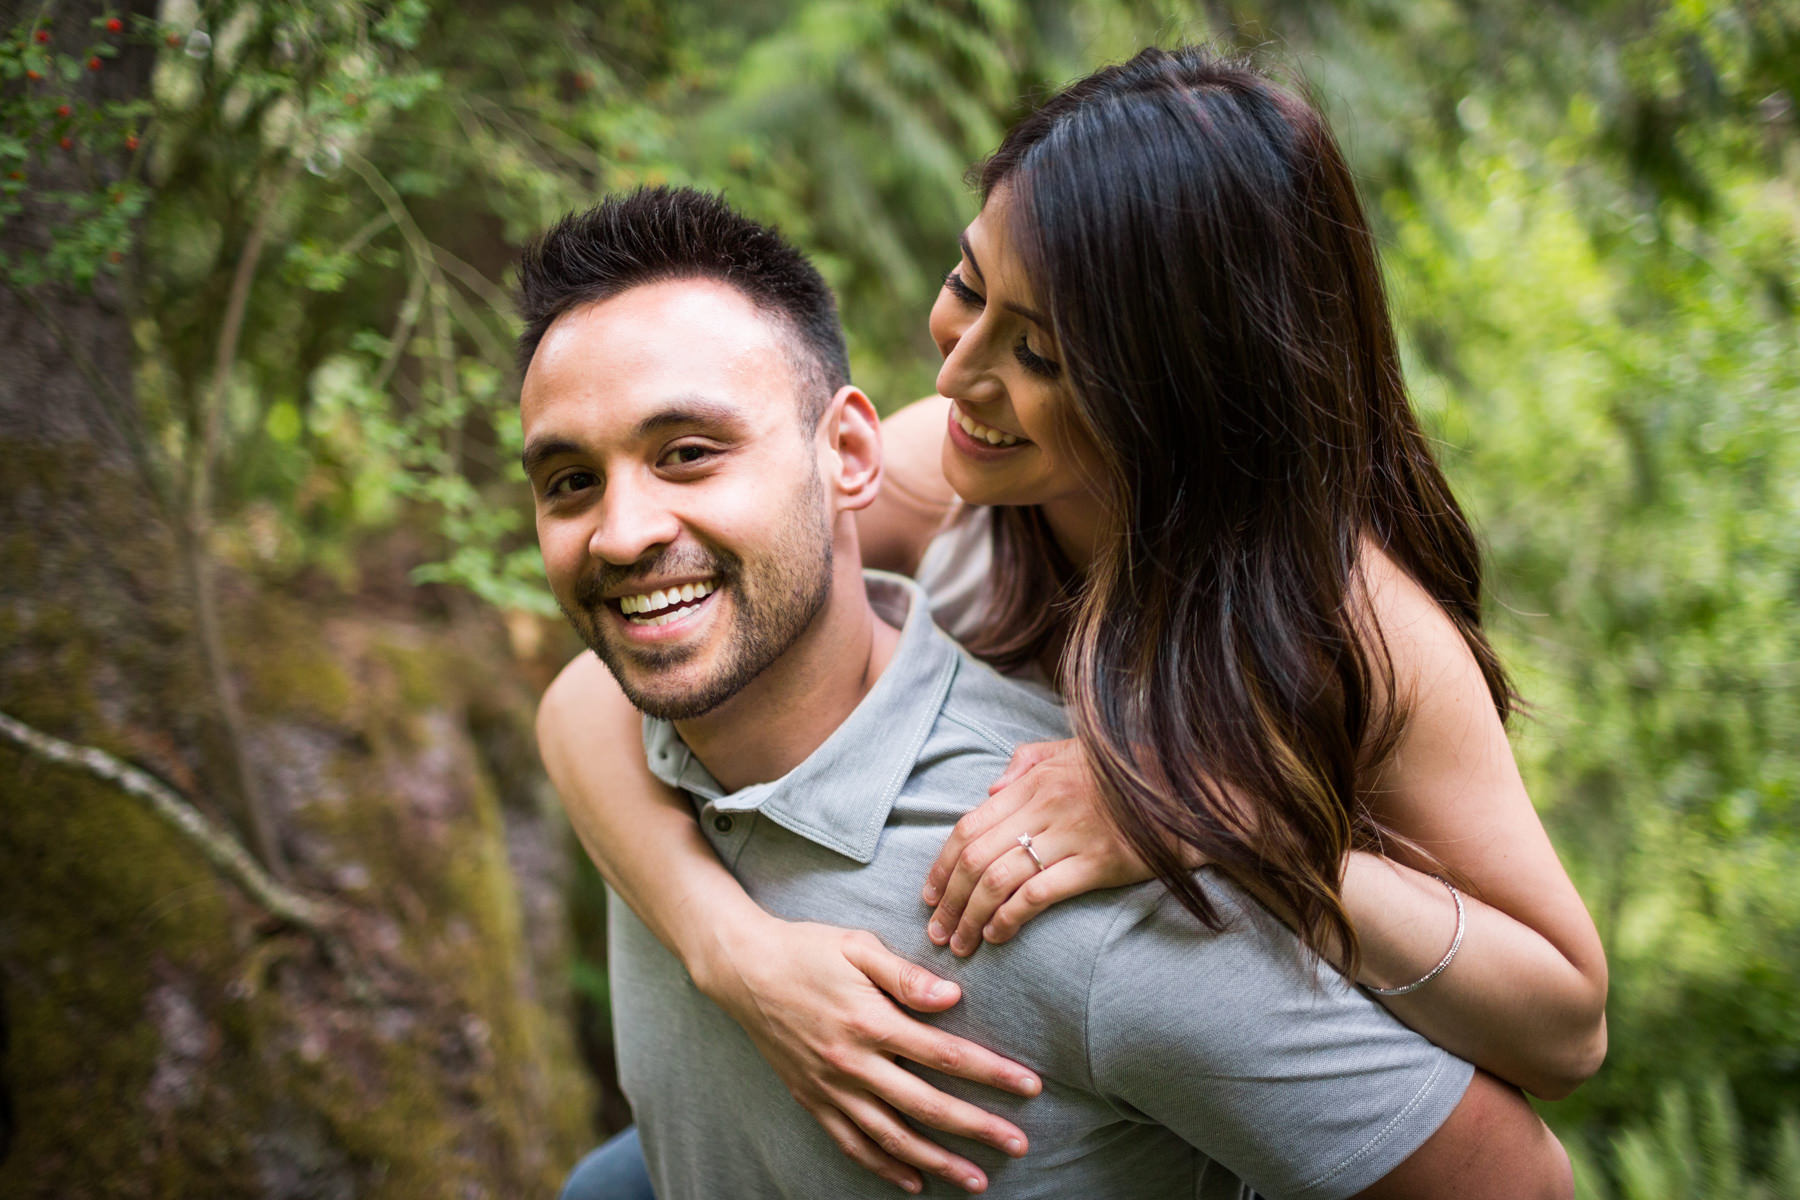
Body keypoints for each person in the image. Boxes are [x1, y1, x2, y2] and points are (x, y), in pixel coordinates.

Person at [539, 47, 1608, 1196]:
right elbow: (596, 687)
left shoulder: (1352, 626)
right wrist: (733, 952)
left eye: (1037, 350)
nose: (957, 373)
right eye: (968, 282)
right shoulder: (945, 463)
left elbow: (1564, 1031)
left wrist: (1216, 818)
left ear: (1181, 385)